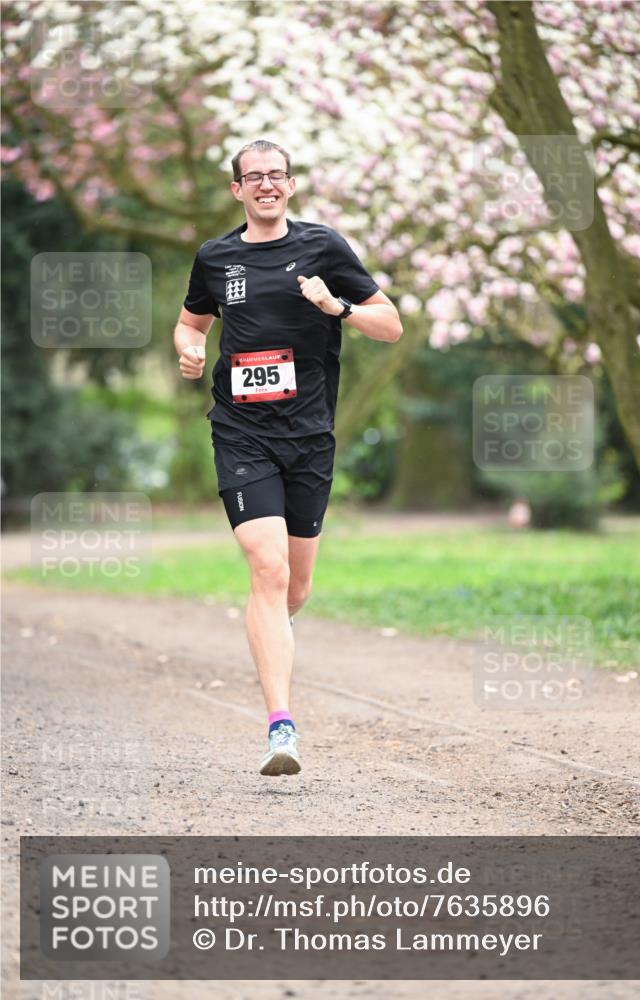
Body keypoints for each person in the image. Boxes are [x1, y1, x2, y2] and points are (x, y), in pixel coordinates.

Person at [174, 139, 402, 777]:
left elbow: (392, 325)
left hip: (308, 437)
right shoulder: (215, 257)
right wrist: (189, 349)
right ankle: (281, 729)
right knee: (268, 570)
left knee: (295, 586)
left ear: (292, 186)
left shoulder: (323, 247)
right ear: (238, 190)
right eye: (255, 177)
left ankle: (270, 628)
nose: (266, 185)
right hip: (241, 431)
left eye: (277, 176)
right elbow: (192, 322)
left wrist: (340, 307)